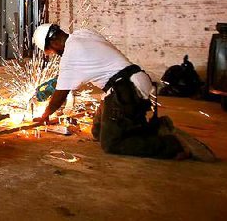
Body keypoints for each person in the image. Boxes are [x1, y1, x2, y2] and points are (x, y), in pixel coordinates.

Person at [31, 23, 216, 161]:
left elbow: (60, 95)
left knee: (112, 143)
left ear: (53, 42)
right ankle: (150, 128)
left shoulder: (70, 55)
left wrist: (45, 114)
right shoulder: (83, 34)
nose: (56, 54)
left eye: (52, 51)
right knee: (98, 131)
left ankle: (172, 145)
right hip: (134, 80)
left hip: (125, 90)